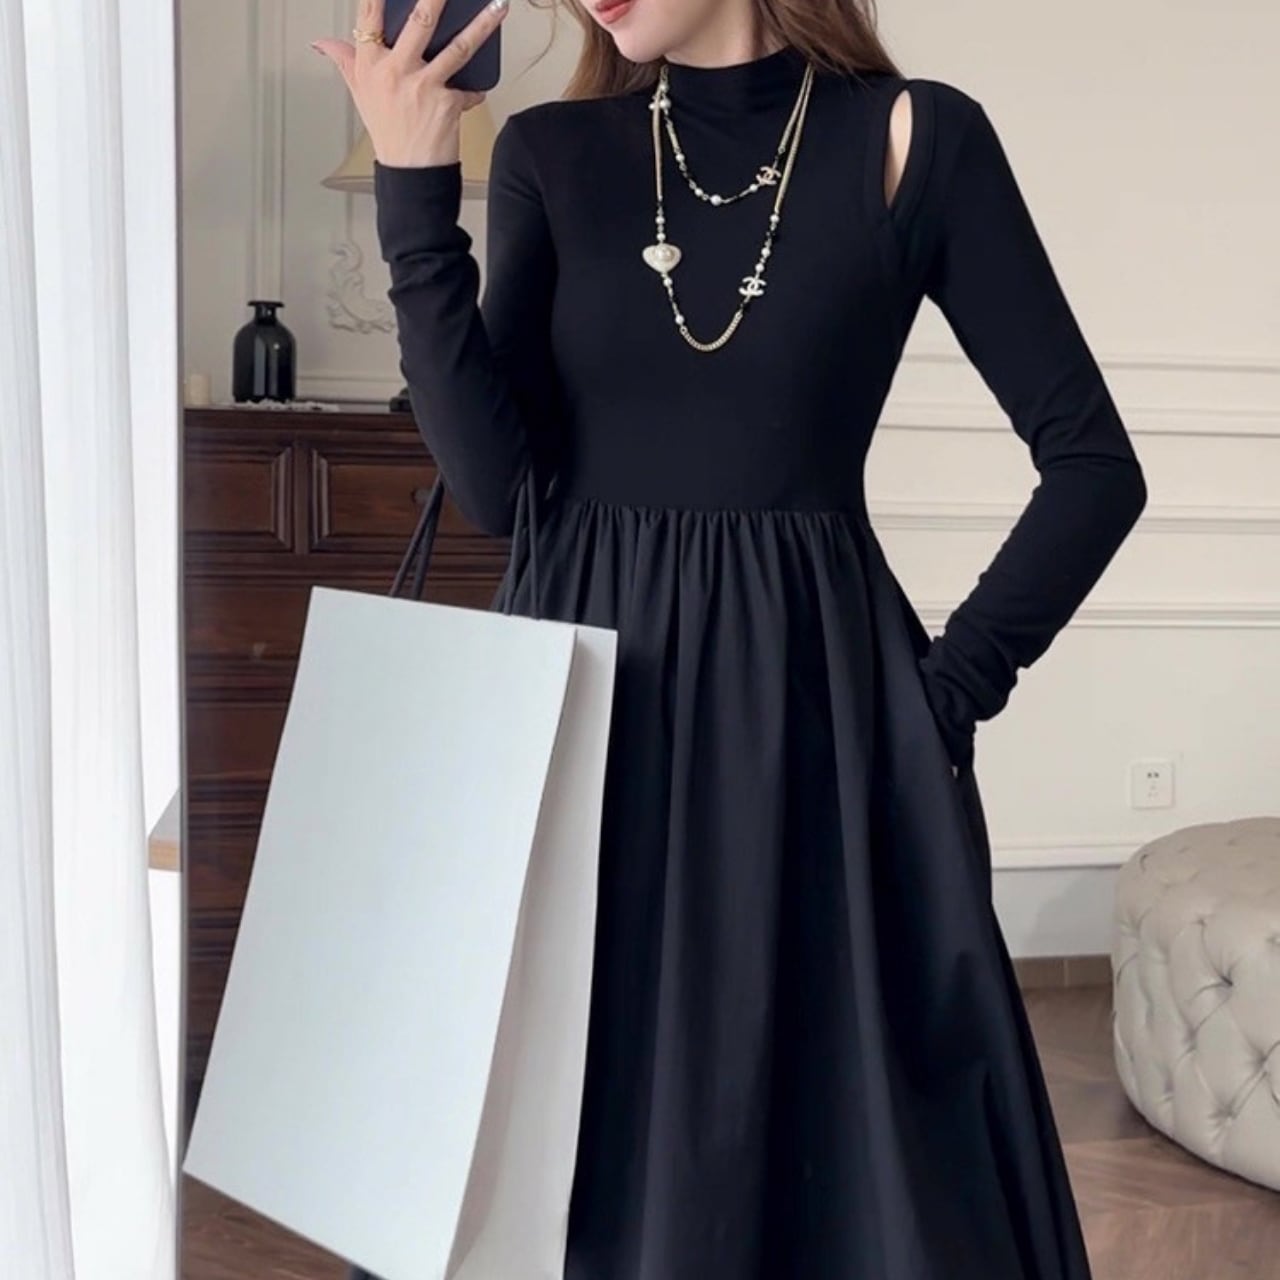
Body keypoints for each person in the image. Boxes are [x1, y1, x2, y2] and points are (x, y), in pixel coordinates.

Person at [314, 0, 1147, 1275]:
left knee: (834, 1177)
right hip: (576, 725)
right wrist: (414, 191)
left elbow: (1092, 467)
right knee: (561, 1171)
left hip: (813, 734)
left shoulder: (913, 141)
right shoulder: (553, 153)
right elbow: (497, 492)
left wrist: (940, 697)